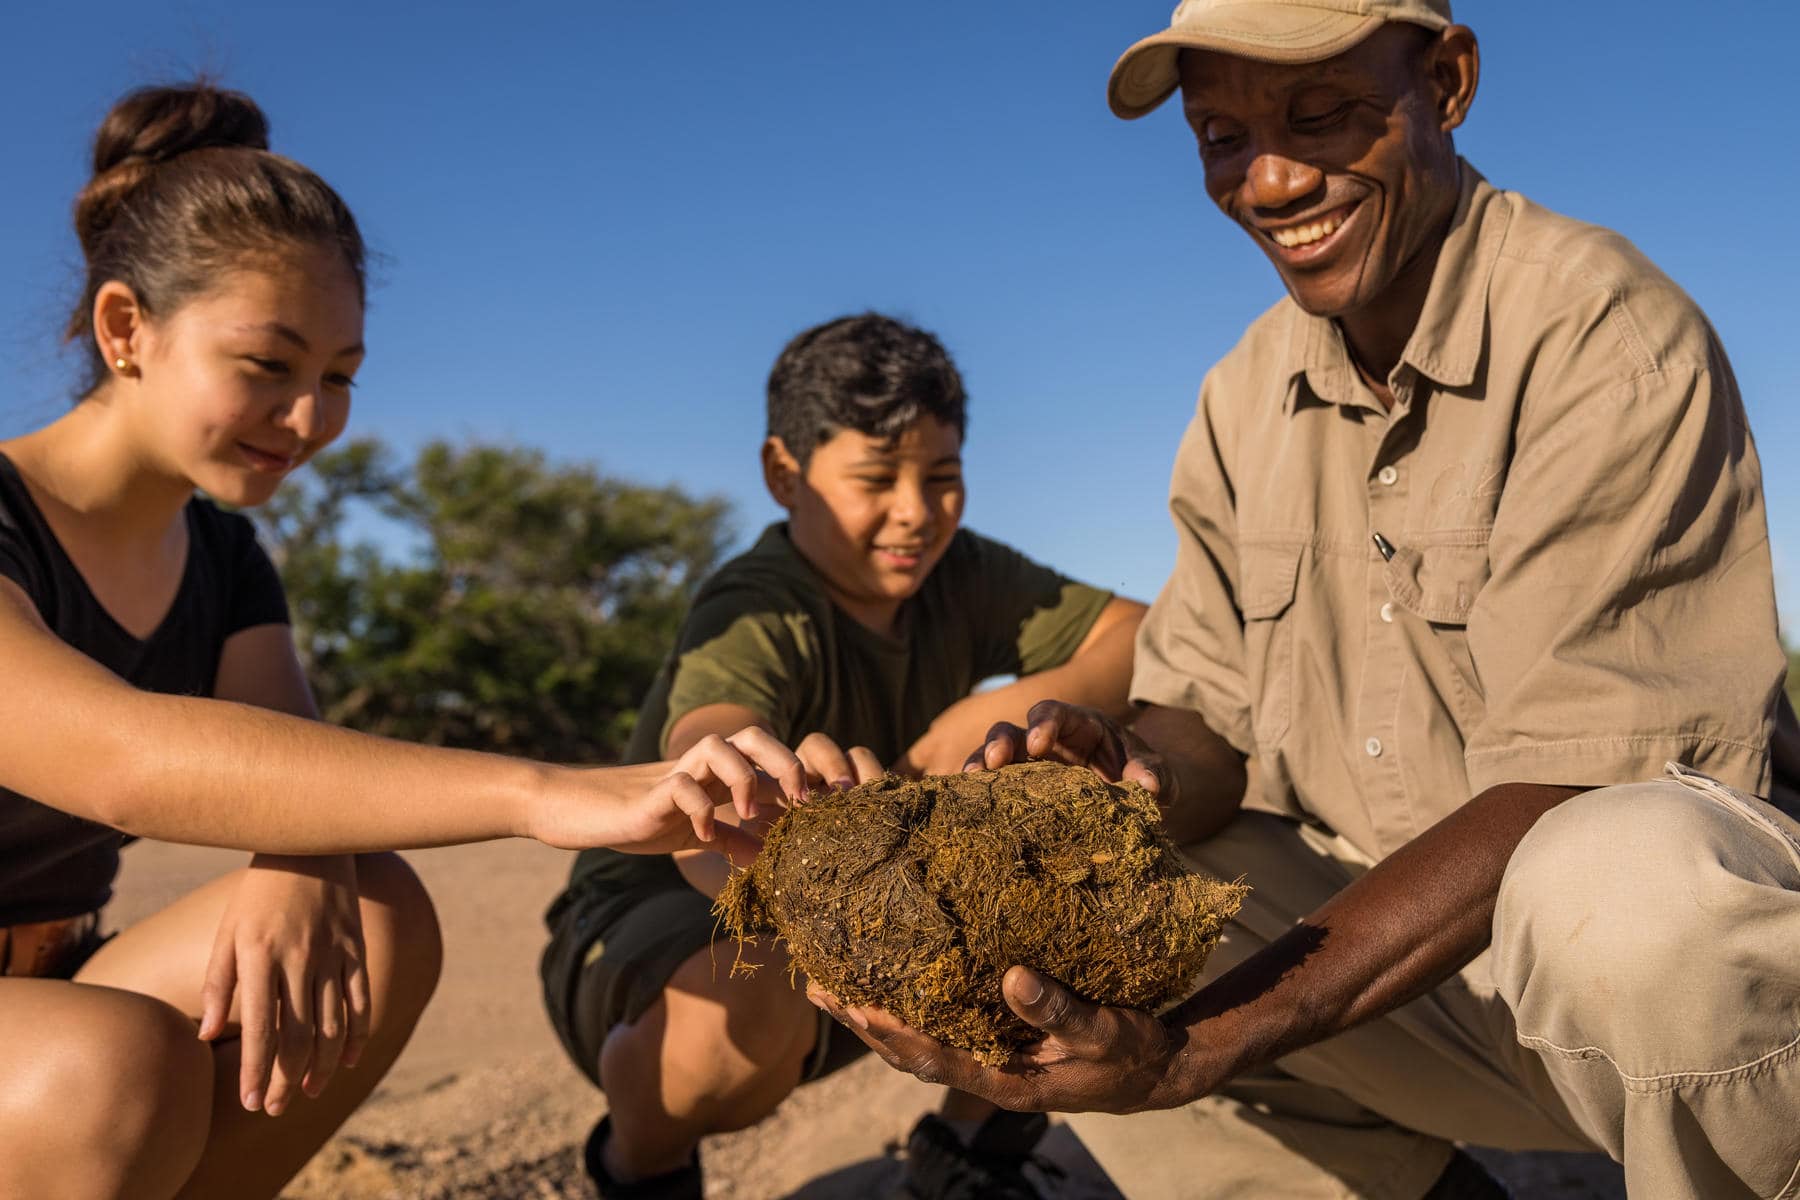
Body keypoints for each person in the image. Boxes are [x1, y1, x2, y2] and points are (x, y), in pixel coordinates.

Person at [809, 3, 1800, 1197]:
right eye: (1220, 134)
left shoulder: (1602, 336)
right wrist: (1129, 773)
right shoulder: (1243, 396)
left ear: (1447, 80)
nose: (1269, 180)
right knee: (1076, 922)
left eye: (1319, 116)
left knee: (1619, 883)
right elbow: (1207, 723)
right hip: (1419, 992)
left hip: (1666, 1025)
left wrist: (1201, 1048)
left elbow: (1574, 782)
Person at [0, 82, 806, 1200]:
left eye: (338, 378)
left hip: (55, 968)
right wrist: (547, 792)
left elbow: (285, 759)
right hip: (53, 1039)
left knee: (373, 916)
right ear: (127, 328)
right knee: (111, 1070)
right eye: (267, 366)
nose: (309, 421)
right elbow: (125, 758)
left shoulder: (225, 558)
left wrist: (305, 847)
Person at [542, 312, 1147, 1199]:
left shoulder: (965, 572)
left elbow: (1140, 632)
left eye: (942, 478)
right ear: (783, 475)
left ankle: (970, 1153)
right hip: (669, 919)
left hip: (874, 904)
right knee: (747, 1003)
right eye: (876, 478)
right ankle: (643, 1165)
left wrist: (996, 713)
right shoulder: (759, 602)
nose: (916, 512)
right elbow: (704, 753)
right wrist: (769, 810)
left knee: (1105, 827)